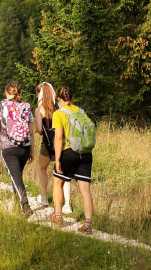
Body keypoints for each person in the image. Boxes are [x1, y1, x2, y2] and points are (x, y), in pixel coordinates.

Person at [51, 86, 94, 233]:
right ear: (72, 99)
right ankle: (88, 224)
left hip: (69, 152)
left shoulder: (58, 114)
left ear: (59, 99)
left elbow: (58, 137)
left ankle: (58, 216)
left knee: (58, 182)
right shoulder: (81, 112)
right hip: (86, 153)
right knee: (85, 189)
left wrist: (57, 160)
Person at [0, 81, 34, 215]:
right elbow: (31, 132)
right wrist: (32, 150)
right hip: (25, 147)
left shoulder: (1, 106)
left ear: (6, 93)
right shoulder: (26, 107)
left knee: (16, 178)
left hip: (8, 148)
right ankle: (18, 205)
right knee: (16, 177)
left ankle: (25, 205)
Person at [35, 82, 72, 213]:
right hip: (61, 142)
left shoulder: (39, 109)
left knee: (42, 168)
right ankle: (67, 204)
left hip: (47, 143)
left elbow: (39, 130)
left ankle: (44, 197)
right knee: (64, 172)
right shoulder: (59, 107)